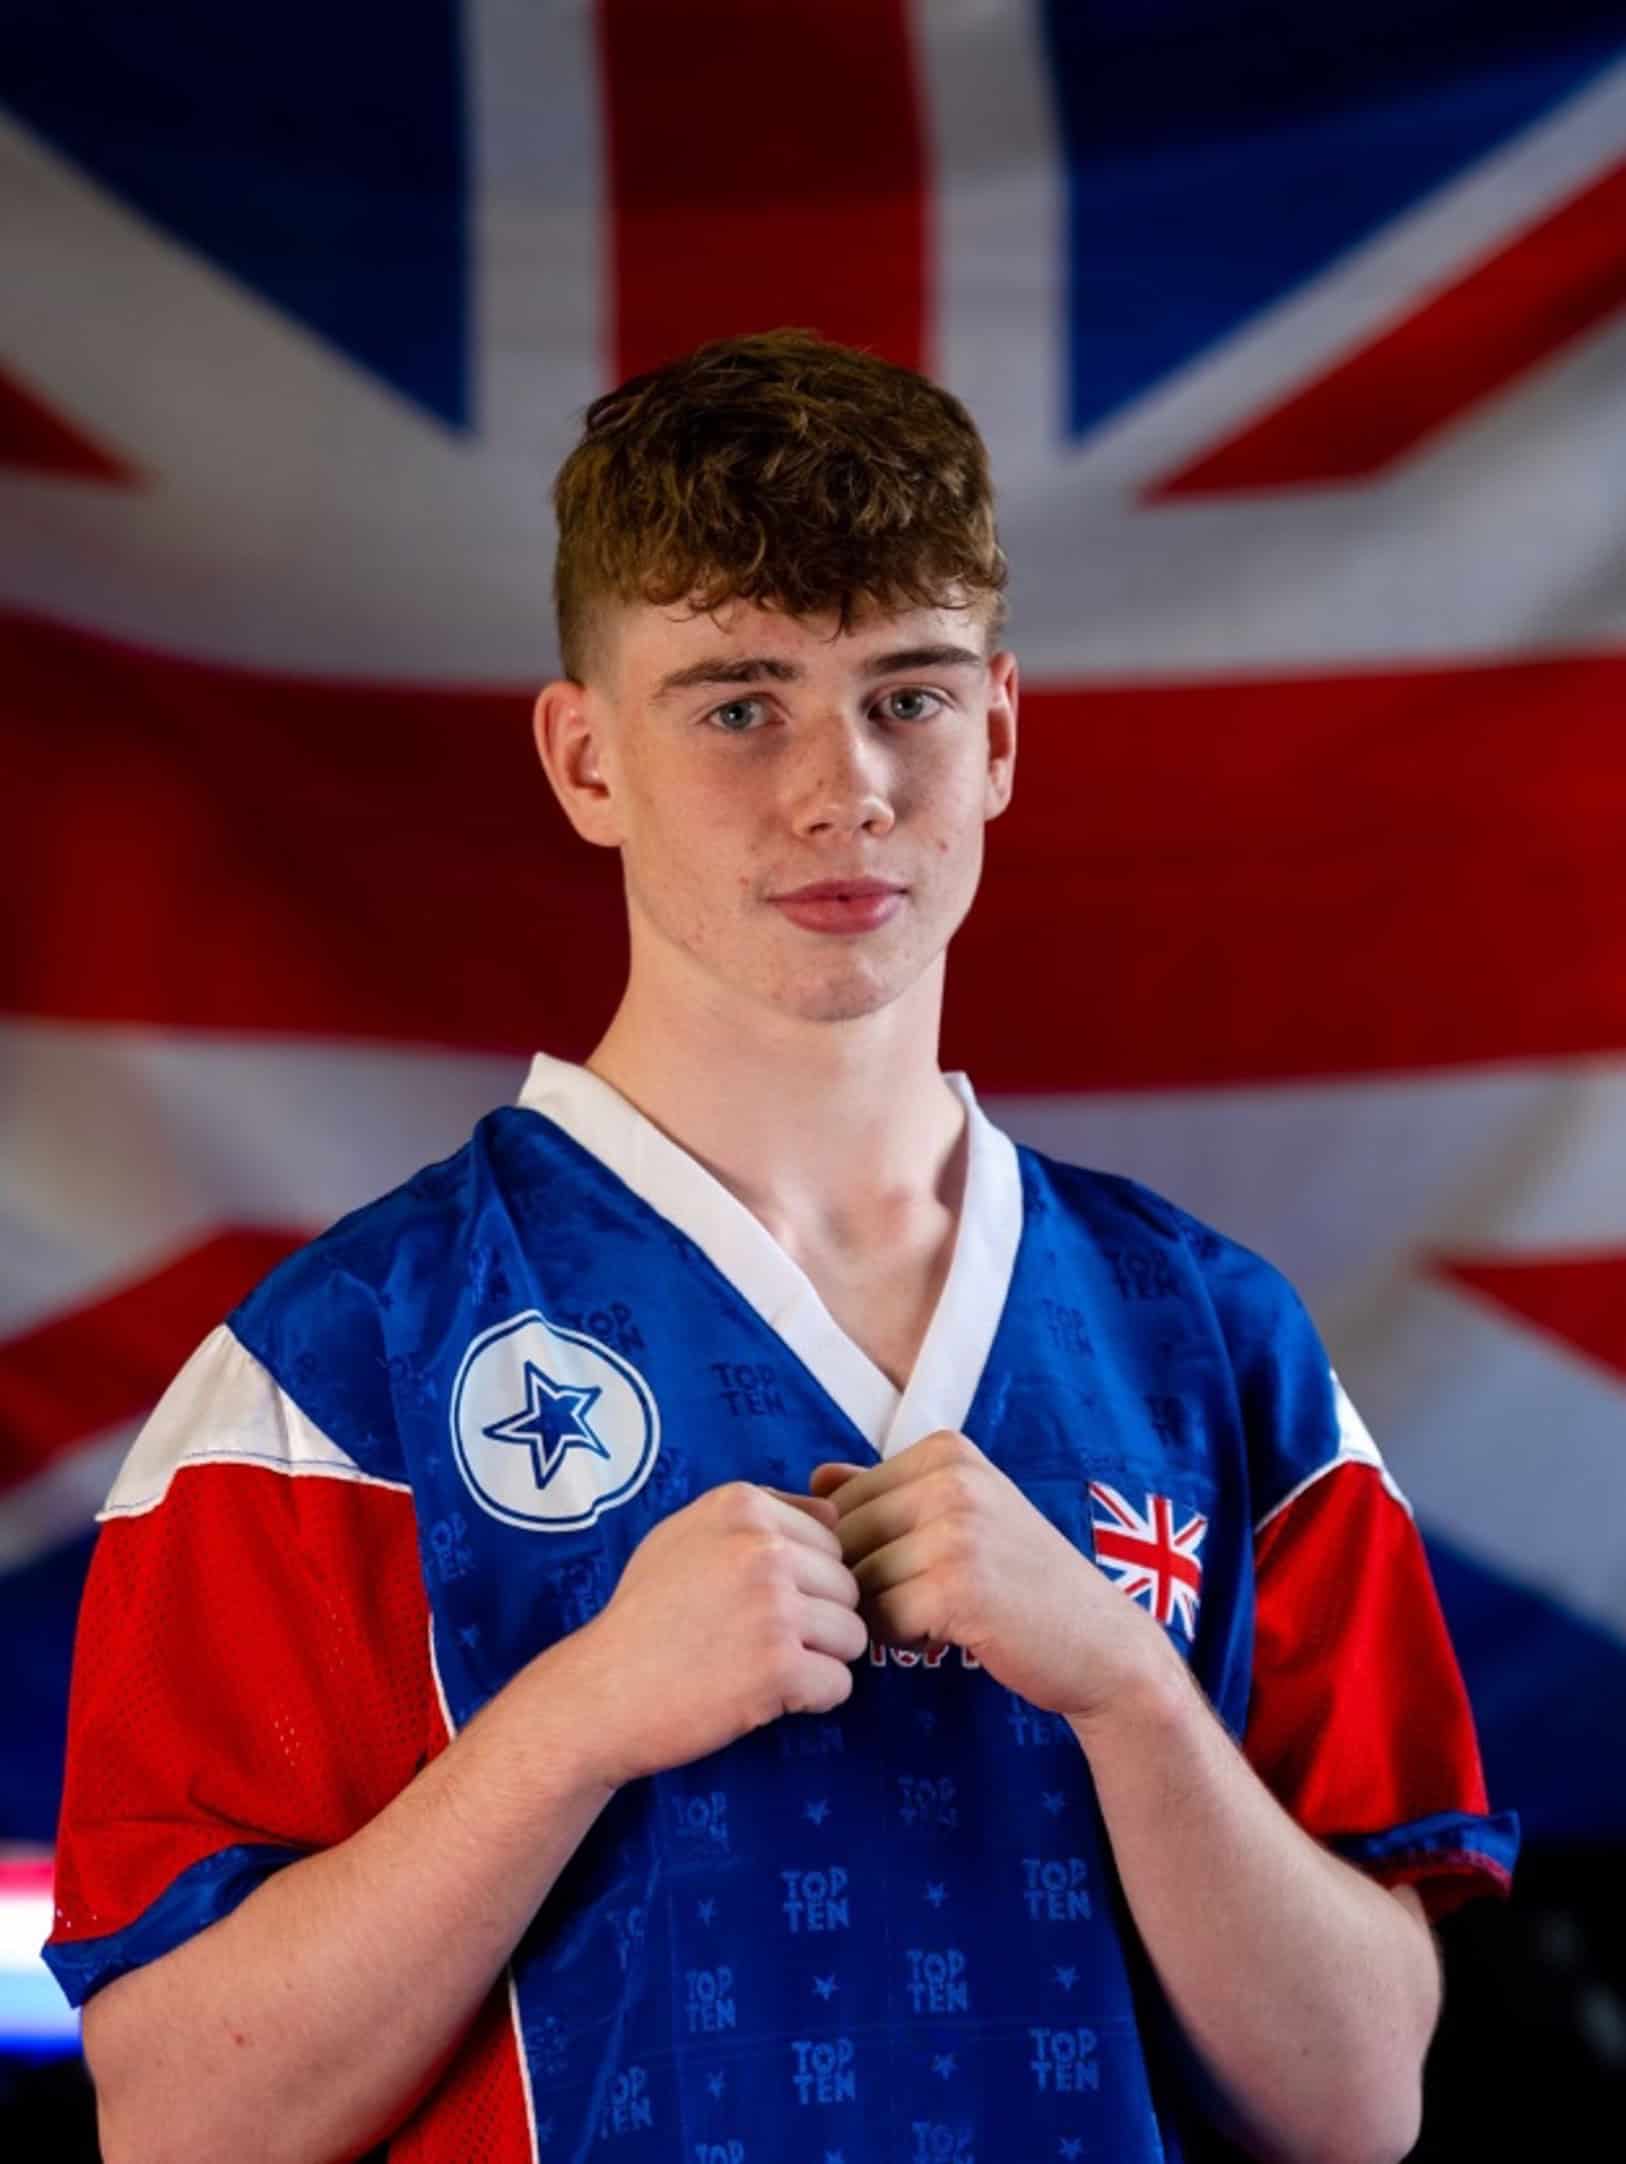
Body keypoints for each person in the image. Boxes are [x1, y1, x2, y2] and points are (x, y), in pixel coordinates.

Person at [45, 329, 1516, 2164]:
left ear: (994, 736)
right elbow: (179, 2121)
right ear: (585, 758)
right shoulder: (337, 1359)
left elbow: (1360, 2108)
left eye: (902, 697)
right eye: (738, 704)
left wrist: (1133, 1695)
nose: (844, 790)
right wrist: (571, 1721)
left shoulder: (1206, 1339)